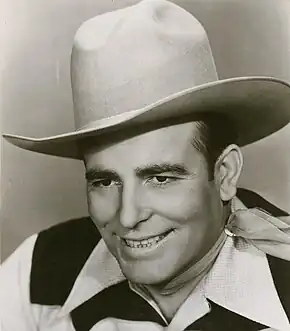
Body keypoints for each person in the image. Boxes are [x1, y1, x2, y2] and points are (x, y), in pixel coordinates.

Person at [1, 0, 290, 330]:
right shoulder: (38, 271)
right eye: (104, 182)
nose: (127, 217)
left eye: (160, 178)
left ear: (224, 173)